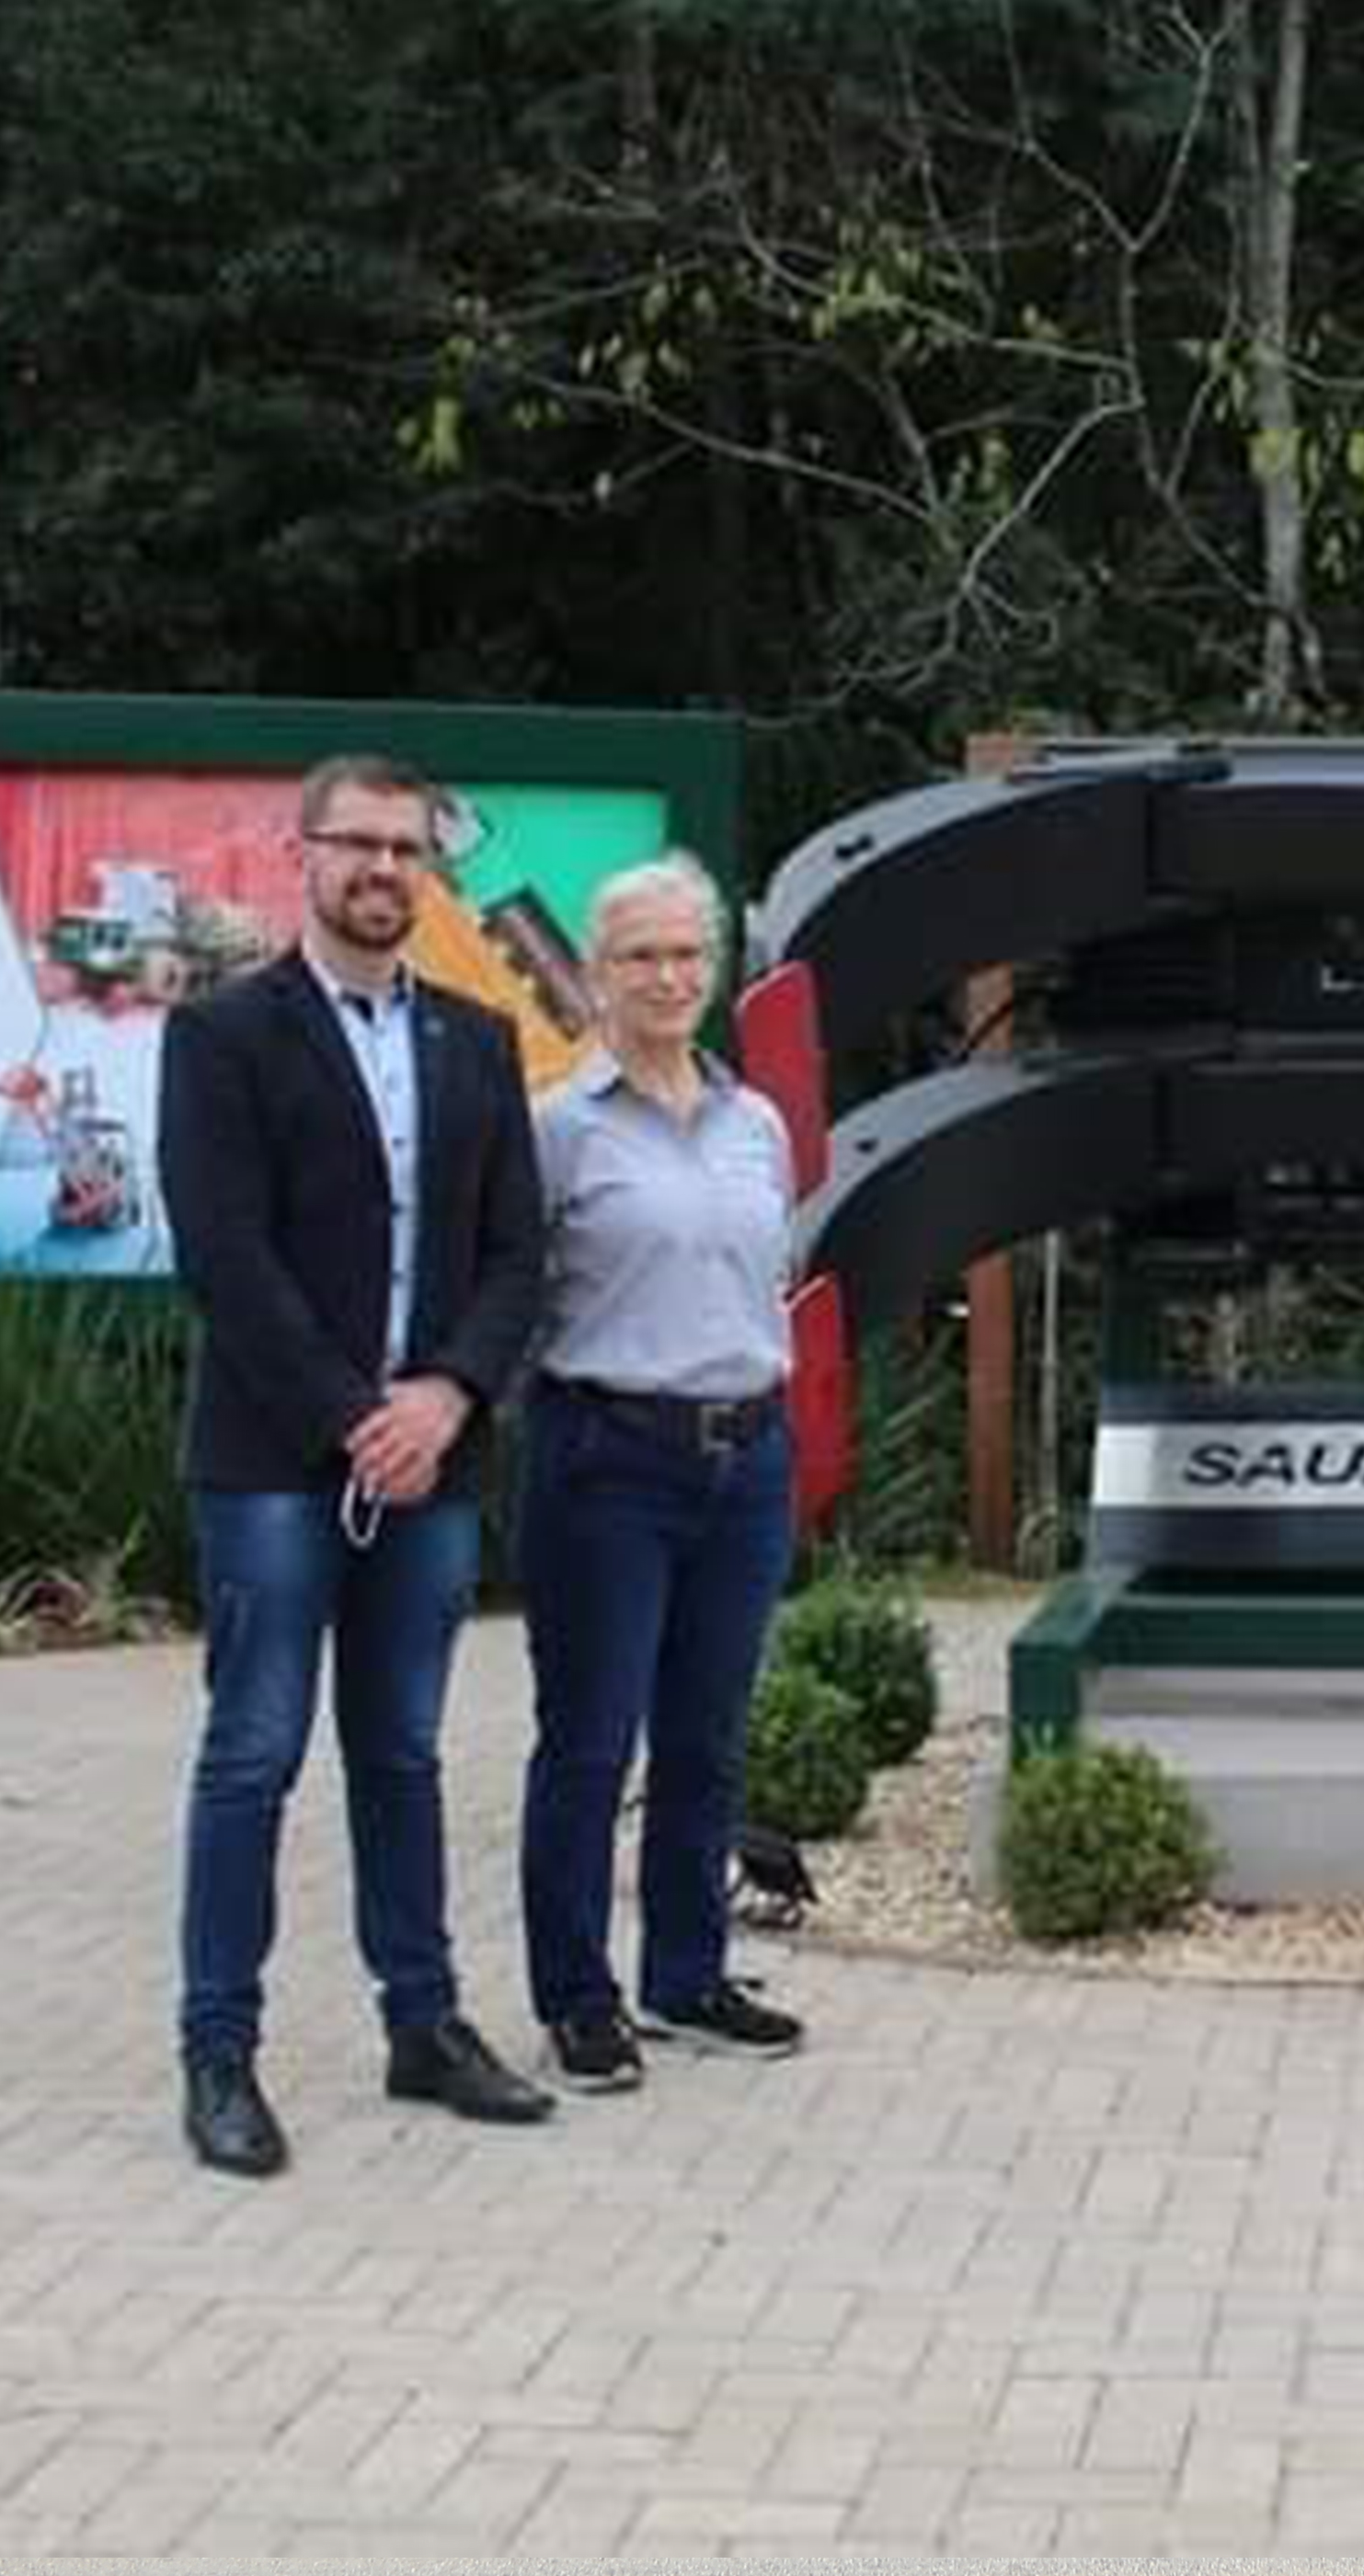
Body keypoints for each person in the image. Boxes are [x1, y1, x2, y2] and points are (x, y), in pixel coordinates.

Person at [158, 754, 556, 2178]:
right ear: (304, 855)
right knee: (253, 1756)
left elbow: (518, 1250)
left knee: (399, 1753)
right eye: (358, 844)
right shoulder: (222, 1038)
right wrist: (355, 1418)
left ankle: (424, 2026)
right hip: (276, 1463)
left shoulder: (475, 1038)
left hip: (432, 1464)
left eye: (407, 848)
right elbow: (228, 1259)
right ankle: (219, 2055)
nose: (382, 870)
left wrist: (446, 1394)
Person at [516, 853, 807, 2090]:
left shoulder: (758, 1126)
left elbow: (764, 1283)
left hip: (746, 1459)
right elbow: (510, 1297)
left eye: (689, 952)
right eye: (641, 955)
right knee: (589, 1745)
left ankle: (686, 1975)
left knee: (708, 1740)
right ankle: (578, 1998)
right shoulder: (557, 1131)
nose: (670, 975)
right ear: (595, 973)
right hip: (607, 1464)